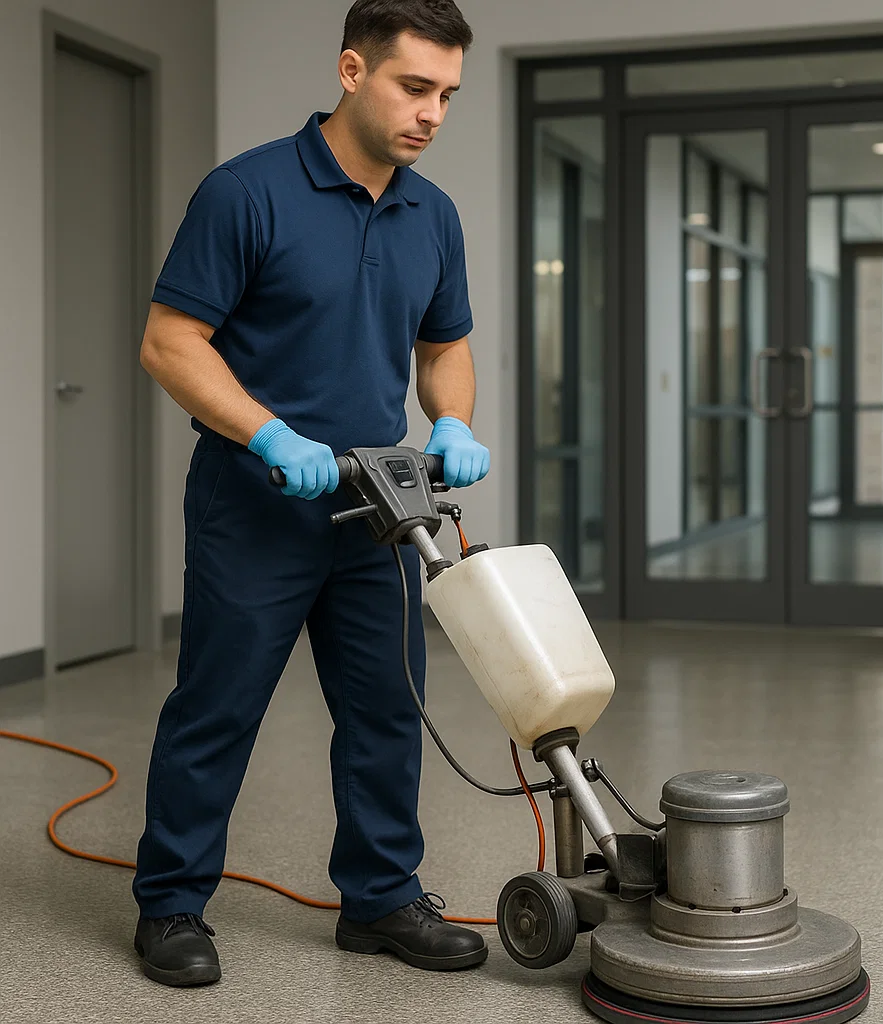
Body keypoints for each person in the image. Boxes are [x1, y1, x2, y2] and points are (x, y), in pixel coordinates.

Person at [131, 0, 489, 986]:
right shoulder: (246, 192)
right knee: (218, 706)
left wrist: (451, 422)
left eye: (448, 94)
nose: (432, 113)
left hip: (378, 503)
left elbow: (444, 346)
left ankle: (380, 898)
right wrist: (268, 433)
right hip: (259, 499)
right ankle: (170, 903)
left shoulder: (433, 214)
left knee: (388, 708)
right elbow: (170, 342)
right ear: (351, 70)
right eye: (413, 87)